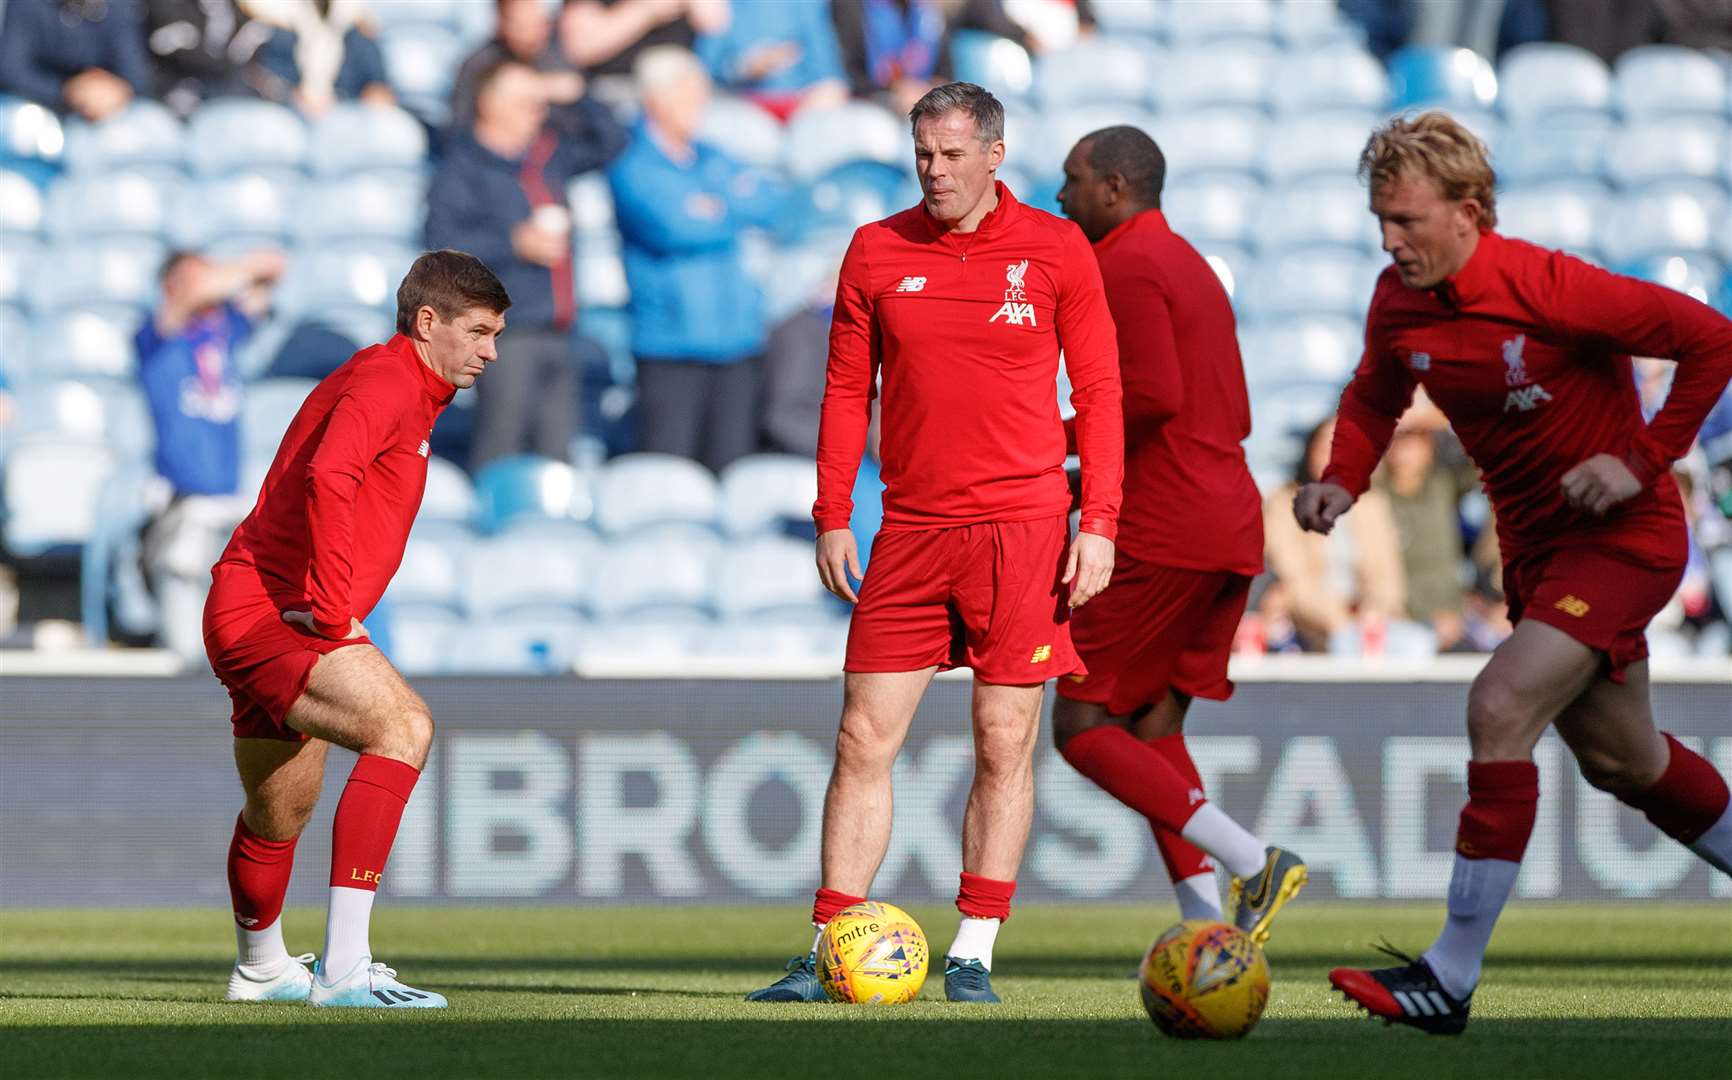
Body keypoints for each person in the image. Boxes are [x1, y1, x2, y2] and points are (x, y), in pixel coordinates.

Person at [1307, 112, 1732, 1035]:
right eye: (1381, 220)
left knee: (1499, 706)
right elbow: (1374, 396)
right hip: (1536, 552)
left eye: (1408, 220)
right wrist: (1342, 482)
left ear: (1468, 213)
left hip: (1624, 538)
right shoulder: (1398, 301)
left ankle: (1448, 976)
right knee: (1626, 761)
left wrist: (1644, 460)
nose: (1390, 239)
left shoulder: (1550, 286)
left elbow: (1712, 339)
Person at [747, 82, 1123, 1005]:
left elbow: (1103, 393)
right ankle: (832, 942)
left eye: (953, 156)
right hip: (910, 529)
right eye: (923, 155)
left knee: (1004, 741)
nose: (936, 172)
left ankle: (976, 950)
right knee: (862, 737)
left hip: (1024, 530)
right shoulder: (876, 249)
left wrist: (1100, 523)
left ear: (995, 153)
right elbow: (845, 392)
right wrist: (833, 511)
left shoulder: (1054, 248)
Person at [207, 250, 509, 1009]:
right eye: (478, 332)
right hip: (276, 613)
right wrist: (337, 606)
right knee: (403, 726)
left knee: (282, 806)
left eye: (496, 334)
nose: (490, 352)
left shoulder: (406, 388)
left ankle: (261, 968)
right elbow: (331, 473)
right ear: (427, 321)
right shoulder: (387, 379)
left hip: (259, 607)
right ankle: (344, 969)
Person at [1048, 125, 1308, 935]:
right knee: (1153, 725)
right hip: (1228, 517)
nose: (1060, 196)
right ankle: (1203, 923)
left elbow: (1151, 394)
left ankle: (1251, 860)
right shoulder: (1191, 264)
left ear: (1115, 188)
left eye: (1073, 180)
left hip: (1165, 524)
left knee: (1082, 726)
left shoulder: (1125, 265)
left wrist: (1048, 442)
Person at [426, 56, 627, 471]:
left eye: (540, 103)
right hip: (502, 336)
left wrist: (579, 93)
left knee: (558, 456)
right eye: (526, 102)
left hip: (558, 328)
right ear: (490, 104)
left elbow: (611, 140)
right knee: (503, 446)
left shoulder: (546, 156)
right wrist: (515, 242)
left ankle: (551, 535)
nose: (538, 112)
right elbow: (441, 245)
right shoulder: (463, 165)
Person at [606, 46, 784, 472]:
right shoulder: (633, 164)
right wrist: (729, 208)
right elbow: (674, 227)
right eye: (687, 95)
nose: (698, 106)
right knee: (669, 479)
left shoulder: (712, 155)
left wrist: (713, 206)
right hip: (672, 351)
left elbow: (773, 202)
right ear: (655, 99)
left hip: (737, 347)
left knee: (735, 473)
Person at [136, 249, 285, 662]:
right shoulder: (157, 334)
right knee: (185, 637)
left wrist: (230, 277)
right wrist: (221, 276)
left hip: (230, 499)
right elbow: (195, 295)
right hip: (184, 501)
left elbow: (272, 267)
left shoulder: (220, 331)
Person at [1263, 417, 1407, 653]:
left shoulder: (1372, 505)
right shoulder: (1283, 503)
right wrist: (1341, 622)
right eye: (1324, 446)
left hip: (1367, 622)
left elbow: (1389, 576)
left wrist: (1374, 611)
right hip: (1310, 625)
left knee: (1414, 645)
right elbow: (1292, 578)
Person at [694, 0, 848, 120]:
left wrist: (827, 88)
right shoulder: (720, 6)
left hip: (801, 104)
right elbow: (706, 68)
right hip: (739, 104)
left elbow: (826, 66)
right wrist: (745, 68)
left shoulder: (805, 5)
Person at [0, 0, 151, 122]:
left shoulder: (117, 6)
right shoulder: (26, 4)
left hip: (106, 107)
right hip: (42, 103)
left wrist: (110, 92)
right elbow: (11, 70)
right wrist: (68, 90)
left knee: (157, 129)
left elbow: (135, 75)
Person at [449, 0, 585, 131]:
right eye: (523, 25)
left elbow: (574, 88)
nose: (534, 33)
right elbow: (460, 123)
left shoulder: (555, 50)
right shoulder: (478, 64)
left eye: (540, 24)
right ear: (502, 23)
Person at [244, 0, 393, 116]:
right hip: (290, 110)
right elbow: (263, 76)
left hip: (347, 106)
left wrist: (376, 92)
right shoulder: (274, 15)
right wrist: (295, 96)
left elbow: (376, 80)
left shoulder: (352, 17)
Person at [143, 0, 271, 116]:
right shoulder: (175, 7)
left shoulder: (240, 10)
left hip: (230, 84)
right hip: (184, 84)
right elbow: (167, 48)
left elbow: (255, 49)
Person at [559, 0, 728, 78]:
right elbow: (580, 48)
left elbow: (714, 22)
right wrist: (645, 10)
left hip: (678, 92)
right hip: (618, 90)